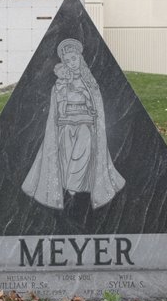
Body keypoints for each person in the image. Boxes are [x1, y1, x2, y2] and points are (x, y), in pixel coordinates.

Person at [22, 38, 125, 210]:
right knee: (65, 144)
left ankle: (73, 184)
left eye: (74, 58)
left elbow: (95, 104)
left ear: (80, 59)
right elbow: (57, 106)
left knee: (84, 139)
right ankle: (69, 186)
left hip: (86, 121)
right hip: (66, 121)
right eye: (67, 60)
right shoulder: (60, 83)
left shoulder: (89, 82)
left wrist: (88, 103)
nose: (71, 63)